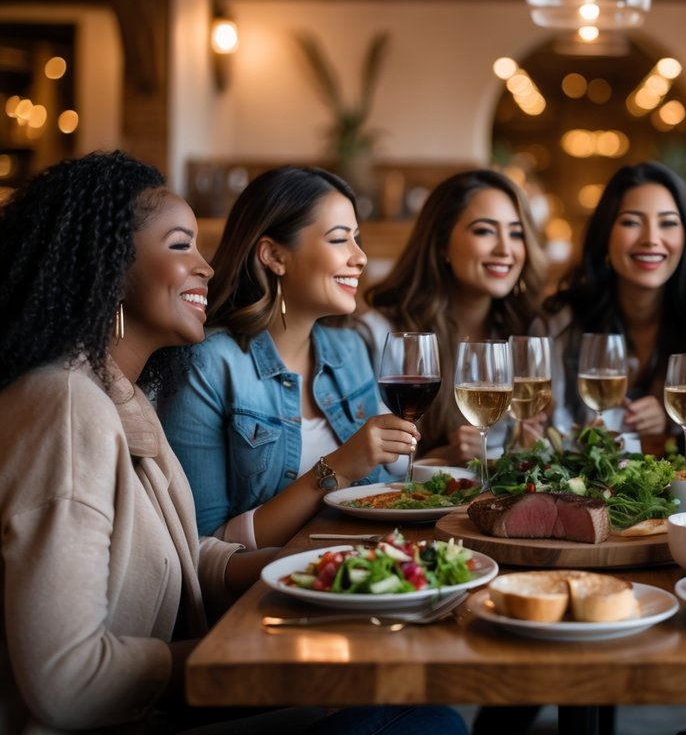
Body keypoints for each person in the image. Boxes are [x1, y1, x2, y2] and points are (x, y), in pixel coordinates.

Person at [0, 152, 464, 735]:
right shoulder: (66, 405)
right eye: (180, 246)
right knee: (424, 721)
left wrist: (309, 566)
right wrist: (257, 656)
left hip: (156, 700)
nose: (209, 268)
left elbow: (183, 554)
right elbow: (69, 682)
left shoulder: (123, 396)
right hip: (116, 720)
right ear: (109, 264)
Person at [159, 167, 419, 549]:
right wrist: (339, 468)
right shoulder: (209, 365)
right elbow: (204, 549)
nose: (360, 257)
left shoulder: (350, 350)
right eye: (339, 240)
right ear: (274, 255)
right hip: (264, 598)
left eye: (357, 240)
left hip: (372, 571)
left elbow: (383, 494)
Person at [361, 169, 547, 465]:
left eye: (516, 233)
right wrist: (445, 457)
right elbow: (381, 470)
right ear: (441, 244)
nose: (505, 249)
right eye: (484, 231)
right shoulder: (382, 334)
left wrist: (530, 443)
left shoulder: (524, 329)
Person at [544, 161, 686, 456]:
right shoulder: (562, 320)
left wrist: (672, 422)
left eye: (668, 223)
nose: (651, 239)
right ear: (605, 235)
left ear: (685, 236)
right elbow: (547, 433)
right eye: (632, 222)